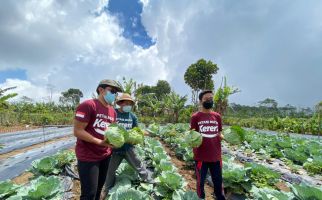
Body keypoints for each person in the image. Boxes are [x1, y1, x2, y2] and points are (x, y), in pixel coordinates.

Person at [73, 79, 122, 200]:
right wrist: (100, 142)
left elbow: (111, 131)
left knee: (99, 190)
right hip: (88, 156)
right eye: (112, 91)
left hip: (105, 156)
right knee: (89, 193)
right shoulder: (88, 105)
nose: (114, 94)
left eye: (116, 92)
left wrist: (115, 141)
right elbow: (78, 131)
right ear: (101, 89)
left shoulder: (112, 111)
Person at [105, 93, 152, 192]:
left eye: (130, 104)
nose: (128, 106)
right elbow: (108, 129)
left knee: (139, 165)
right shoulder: (113, 113)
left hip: (128, 147)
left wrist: (138, 138)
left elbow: (136, 130)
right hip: (115, 149)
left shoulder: (132, 116)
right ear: (121, 103)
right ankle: (107, 189)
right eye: (126, 103)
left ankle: (149, 182)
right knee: (110, 171)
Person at [190, 90, 226, 200]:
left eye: (211, 99)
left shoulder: (217, 116)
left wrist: (221, 136)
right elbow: (192, 135)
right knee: (200, 183)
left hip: (215, 156)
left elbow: (219, 133)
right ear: (201, 101)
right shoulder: (195, 117)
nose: (209, 101)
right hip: (201, 157)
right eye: (207, 99)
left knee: (218, 182)